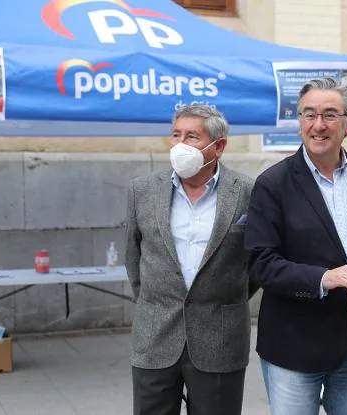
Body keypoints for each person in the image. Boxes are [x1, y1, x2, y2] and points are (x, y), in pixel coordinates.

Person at [244, 77, 347, 415]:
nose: (318, 125)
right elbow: (260, 263)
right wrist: (323, 278)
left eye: (330, 115)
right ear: (298, 122)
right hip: (293, 348)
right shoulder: (273, 184)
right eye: (308, 114)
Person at [125, 104, 255, 415]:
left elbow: (255, 265)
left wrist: (220, 296)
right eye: (176, 135)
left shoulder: (249, 191)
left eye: (192, 137)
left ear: (218, 146)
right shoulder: (142, 191)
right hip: (155, 337)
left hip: (220, 338)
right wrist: (156, 302)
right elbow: (134, 259)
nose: (181, 144)